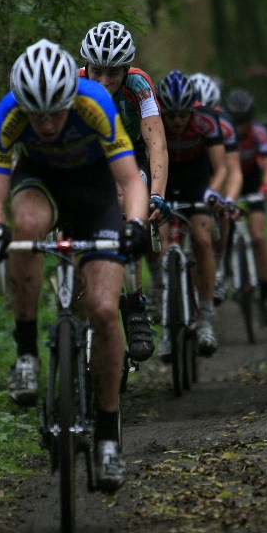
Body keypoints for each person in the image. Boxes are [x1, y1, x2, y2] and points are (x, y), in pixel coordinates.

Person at [0, 39, 149, 492]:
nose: (48, 124)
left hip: (95, 192)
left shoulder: (94, 103)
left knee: (105, 310)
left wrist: (135, 224)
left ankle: (108, 439)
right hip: (40, 183)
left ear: (70, 98)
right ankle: (27, 355)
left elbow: (131, 179)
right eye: (37, 116)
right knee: (27, 227)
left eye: (56, 113)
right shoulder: (6, 115)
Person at [79, 21, 170, 362]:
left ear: (126, 70)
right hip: (87, 159)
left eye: (113, 73)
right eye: (97, 72)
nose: (104, 81)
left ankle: (135, 305)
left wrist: (156, 194)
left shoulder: (138, 85)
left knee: (129, 215)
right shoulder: (72, 86)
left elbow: (156, 142)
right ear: (87, 67)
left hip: (130, 157)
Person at [153, 70, 233, 359]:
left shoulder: (205, 120)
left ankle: (206, 319)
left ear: (192, 108)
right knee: (159, 243)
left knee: (201, 239)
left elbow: (221, 168)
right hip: (164, 182)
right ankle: (166, 323)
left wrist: (212, 193)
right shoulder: (153, 120)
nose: (177, 121)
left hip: (197, 183)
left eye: (182, 114)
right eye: (171, 115)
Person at [224, 88, 267, 325]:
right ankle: (224, 270)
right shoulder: (223, 132)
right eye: (235, 122)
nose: (239, 128)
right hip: (229, 185)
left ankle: (265, 294)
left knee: (258, 236)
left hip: (253, 184)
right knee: (224, 231)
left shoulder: (259, 133)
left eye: (244, 122)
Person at [190, 72, 239, 306]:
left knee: (222, 207)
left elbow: (229, 169)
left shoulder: (224, 125)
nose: (204, 117)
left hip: (215, 169)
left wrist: (228, 199)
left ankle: (218, 267)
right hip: (193, 168)